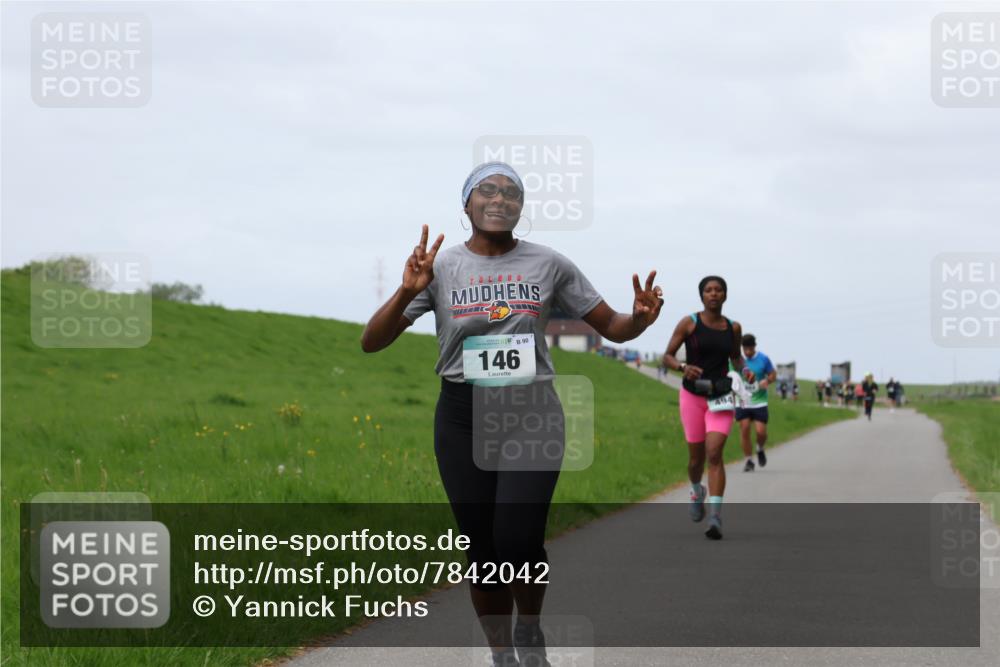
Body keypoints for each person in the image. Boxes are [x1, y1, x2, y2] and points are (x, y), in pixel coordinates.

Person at [360, 162, 664, 667]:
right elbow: (372, 342)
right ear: (466, 205)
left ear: (521, 209)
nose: (501, 199)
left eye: (512, 193)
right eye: (488, 190)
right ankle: (501, 653)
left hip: (532, 411)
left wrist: (640, 319)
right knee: (482, 549)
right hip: (462, 414)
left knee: (518, 539)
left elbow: (611, 325)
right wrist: (409, 290)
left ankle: (529, 628)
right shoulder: (442, 268)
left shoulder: (549, 263)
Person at [662, 276, 749, 540]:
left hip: (721, 397)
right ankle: (696, 489)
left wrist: (746, 371)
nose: (713, 294)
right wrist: (682, 367)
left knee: (714, 453)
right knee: (695, 459)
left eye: (718, 290)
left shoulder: (733, 328)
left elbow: (736, 356)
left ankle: (715, 516)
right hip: (692, 397)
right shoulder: (690, 322)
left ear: (725, 295)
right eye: (708, 290)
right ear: (702, 296)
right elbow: (667, 356)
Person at [735, 333, 776, 472]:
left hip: (760, 401)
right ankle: (748, 460)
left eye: (750, 349)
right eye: (745, 349)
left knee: (760, 432)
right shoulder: (737, 360)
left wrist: (768, 380)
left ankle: (760, 448)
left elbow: (773, 374)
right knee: (745, 428)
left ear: (754, 347)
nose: (747, 352)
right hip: (743, 401)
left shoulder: (763, 359)